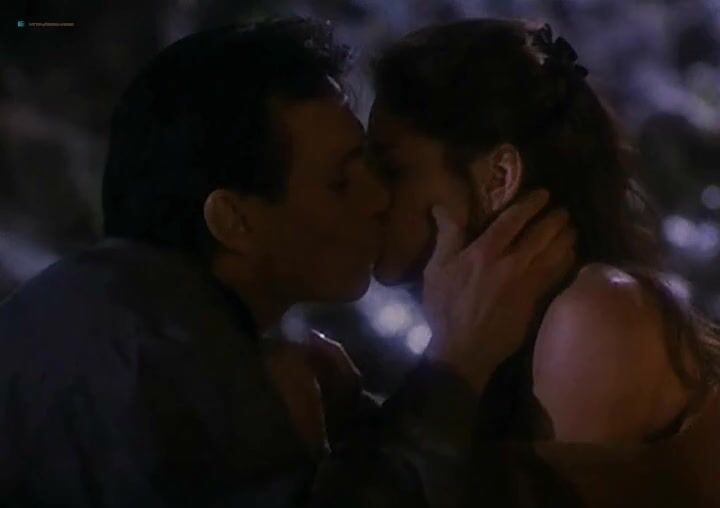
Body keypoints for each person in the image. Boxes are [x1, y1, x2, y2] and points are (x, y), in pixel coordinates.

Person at [0, 19, 576, 507]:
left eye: (376, 166)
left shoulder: (125, 315)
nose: (378, 198)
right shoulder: (152, 360)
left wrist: (359, 427)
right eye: (339, 181)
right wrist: (456, 367)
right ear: (235, 220)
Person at [367, 18, 720, 505]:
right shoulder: (485, 333)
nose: (369, 195)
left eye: (390, 169)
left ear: (499, 178)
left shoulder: (589, 316)